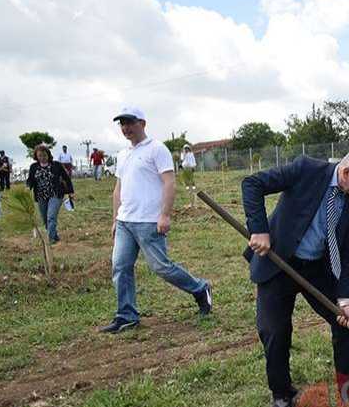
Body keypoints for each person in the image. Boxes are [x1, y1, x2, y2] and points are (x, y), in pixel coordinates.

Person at [242, 146, 349, 407]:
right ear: (345, 172)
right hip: (278, 261)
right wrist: (258, 228)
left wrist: (344, 297)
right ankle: (282, 395)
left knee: (348, 322)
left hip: (318, 268)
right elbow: (253, 183)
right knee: (274, 330)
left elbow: (343, 252)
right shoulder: (306, 170)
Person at [100, 106, 212, 334]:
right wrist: (115, 219)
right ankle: (126, 315)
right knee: (120, 267)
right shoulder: (123, 155)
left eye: (130, 122)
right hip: (125, 222)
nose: (125, 128)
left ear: (142, 123)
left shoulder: (157, 149)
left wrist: (165, 214)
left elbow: (169, 182)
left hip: (149, 221)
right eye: (122, 124)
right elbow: (117, 190)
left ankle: (200, 288)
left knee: (161, 267)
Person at [25, 144, 73, 243]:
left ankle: (49, 240)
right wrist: (27, 187)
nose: (42, 158)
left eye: (44, 155)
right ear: (36, 156)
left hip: (56, 194)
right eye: (40, 156)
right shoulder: (33, 167)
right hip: (41, 196)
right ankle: (54, 236)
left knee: (51, 216)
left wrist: (70, 192)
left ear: (48, 155)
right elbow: (30, 180)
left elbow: (66, 178)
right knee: (45, 219)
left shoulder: (57, 165)